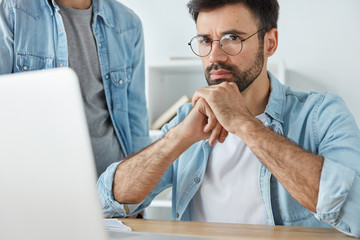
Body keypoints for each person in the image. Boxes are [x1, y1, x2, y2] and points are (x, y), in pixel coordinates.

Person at [99, 0, 360, 237]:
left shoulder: (321, 114)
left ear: (270, 43)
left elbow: (356, 212)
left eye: (232, 37)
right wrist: (177, 138)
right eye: (204, 40)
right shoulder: (186, 119)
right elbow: (107, 202)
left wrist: (244, 124)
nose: (215, 56)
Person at [0, 0, 151, 188]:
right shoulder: (11, 11)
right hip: (37, 186)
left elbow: (137, 123)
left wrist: (139, 189)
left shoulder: (128, 24)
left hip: (114, 191)